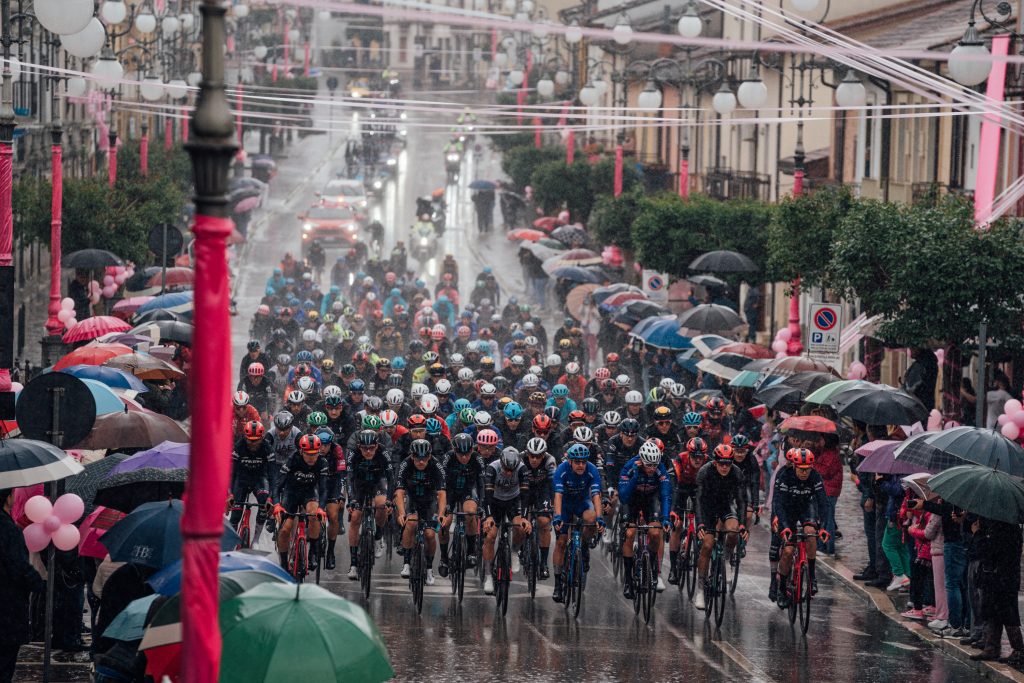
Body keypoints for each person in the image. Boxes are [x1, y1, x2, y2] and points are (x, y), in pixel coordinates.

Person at [772, 448, 830, 608]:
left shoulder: (815, 476)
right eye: (801, 469)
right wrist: (784, 526)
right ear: (794, 466)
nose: (805, 473)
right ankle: (782, 588)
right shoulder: (785, 476)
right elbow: (779, 504)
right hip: (788, 510)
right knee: (789, 551)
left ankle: (811, 575)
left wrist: (824, 527)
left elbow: (824, 503)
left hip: (806, 507)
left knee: (810, 533)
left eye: (808, 469)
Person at [693, 444, 747, 610]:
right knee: (707, 545)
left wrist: (744, 524)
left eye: (728, 463)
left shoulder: (737, 473)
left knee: (733, 531)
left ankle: (727, 558)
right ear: (715, 462)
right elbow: (699, 500)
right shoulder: (705, 471)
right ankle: (701, 589)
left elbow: (741, 501)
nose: (725, 467)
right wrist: (701, 523)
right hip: (707, 508)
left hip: (725, 506)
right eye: (721, 463)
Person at [0, 488, 44, 682]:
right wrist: (38, 584)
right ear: (8, 499)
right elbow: (17, 565)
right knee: (5, 661)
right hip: (7, 604)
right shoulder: (7, 529)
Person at [618, 440, 672, 598]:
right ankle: (628, 580)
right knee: (629, 534)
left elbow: (665, 495)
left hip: (650, 500)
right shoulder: (629, 466)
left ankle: (653, 567)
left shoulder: (660, 468)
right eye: (649, 465)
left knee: (656, 533)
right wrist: (635, 475)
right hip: (632, 500)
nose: (652, 469)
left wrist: (666, 518)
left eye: (655, 465)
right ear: (641, 460)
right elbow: (623, 496)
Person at [551, 443, 604, 603]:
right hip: (565, 505)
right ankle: (558, 584)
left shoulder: (592, 470)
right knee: (561, 542)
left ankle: (585, 546)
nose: (581, 465)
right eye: (577, 462)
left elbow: (595, 496)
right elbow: (558, 495)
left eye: (583, 462)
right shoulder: (561, 470)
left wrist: (600, 517)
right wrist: (558, 516)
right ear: (570, 462)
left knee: (591, 518)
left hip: (582, 502)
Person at [394, 438, 447, 585]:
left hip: (429, 501)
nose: (421, 462)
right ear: (412, 456)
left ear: (430, 456)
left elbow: (442, 493)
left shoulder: (436, 465)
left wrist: (441, 513)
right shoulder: (405, 464)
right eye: (418, 459)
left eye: (424, 459)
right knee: (410, 524)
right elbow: (399, 492)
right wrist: (401, 513)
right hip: (412, 499)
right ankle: (406, 563)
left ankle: (429, 569)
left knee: (430, 534)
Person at [274, 434, 330, 569]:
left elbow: (323, 489)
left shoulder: (322, 462)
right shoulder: (293, 459)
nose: (311, 458)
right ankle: (283, 561)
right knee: (285, 530)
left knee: (314, 516)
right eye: (308, 454)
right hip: (291, 492)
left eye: (314, 454)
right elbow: (277, 485)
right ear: (301, 451)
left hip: (309, 492)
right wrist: (276, 504)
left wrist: (321, 508)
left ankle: (313, 553)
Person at [481, 447, 531, 595]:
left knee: (520, 527)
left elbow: (525, 495)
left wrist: (525, 518)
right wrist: (489, 516)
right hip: (494, 501)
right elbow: (487, 495)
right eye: (506, 469)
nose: (509, 473)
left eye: (512, 470)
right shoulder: (492, 468)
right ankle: (489, 577)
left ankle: (515, 552)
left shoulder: (522, 469)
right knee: (490, 536)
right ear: (501, 463)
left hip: (513, 501)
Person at [345, 429, 393, 579]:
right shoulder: (353, 454)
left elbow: (391, 479)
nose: (368, 451)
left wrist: (390, 499)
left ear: (377, 446)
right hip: (359, 485)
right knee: (355, 518)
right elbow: (349, 478)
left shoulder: (383, 453)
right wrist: (352, 499)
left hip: (377, 483)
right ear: (359, 446)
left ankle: (378, 536)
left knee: (381, 505)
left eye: (371, 448)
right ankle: (353, 564)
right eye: (364, 448)